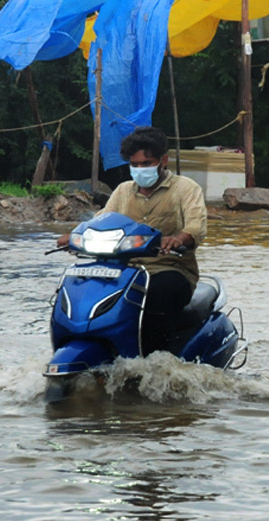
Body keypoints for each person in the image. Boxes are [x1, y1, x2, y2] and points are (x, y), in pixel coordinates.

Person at [59, 126, 208, 354]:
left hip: (169, 269)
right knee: (78, 288)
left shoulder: (186, 189)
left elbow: (196, 225)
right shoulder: (122, 191)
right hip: (122, 271)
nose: (140, 169)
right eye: (135, 164)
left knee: (160, 292)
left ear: (163, 161)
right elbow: (101, 220)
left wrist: (179, 239)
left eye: (146, 163)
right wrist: (76, 236)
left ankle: (157, 359)